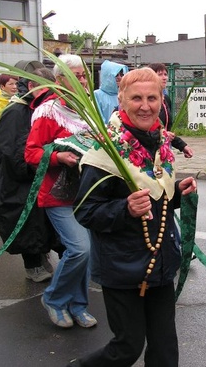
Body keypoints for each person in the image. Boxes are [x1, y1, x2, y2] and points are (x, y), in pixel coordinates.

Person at [69, 67, 197, 366]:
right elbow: (85, 210)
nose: (145, 105)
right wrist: (124, 209)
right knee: (127, 347)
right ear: (122, 100)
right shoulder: (106, 151)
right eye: (136, 98)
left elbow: (156, 198)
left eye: (152, 98)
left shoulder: (160, 142)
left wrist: (177, 192)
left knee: (165, 348)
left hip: (161, 262)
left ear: (161, 100)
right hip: (123, 267)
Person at [24, 54, 97, 328]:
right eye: (75, 76)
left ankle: (78, 306)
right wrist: (59, 157)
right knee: (80, 249)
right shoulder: (48, 111)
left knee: (88, 253)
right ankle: (54, 299)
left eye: (83, 76)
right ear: (59, 80)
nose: (81, 81)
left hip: (87, 194)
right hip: (58, 195)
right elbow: (30, 153)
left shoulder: (90, 109)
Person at [0, 65, 62, 283]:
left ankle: (41, 255)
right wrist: (37, 164)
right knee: (27, 223)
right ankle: (32, 263)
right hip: (22, 181)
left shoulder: (42, 108)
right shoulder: (15, 112)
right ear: (32, 87)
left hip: (42, 176)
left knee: (43, 225)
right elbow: (11, 153)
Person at [147, 63, 193, 158]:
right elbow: (143, 130)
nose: (164, 78)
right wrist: (162, 135)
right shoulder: (146, 101)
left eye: (165, 74)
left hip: (165, 149)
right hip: (149, 150)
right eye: (160, 74)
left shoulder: (166, 99)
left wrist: (182, 146)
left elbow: (168, 130)